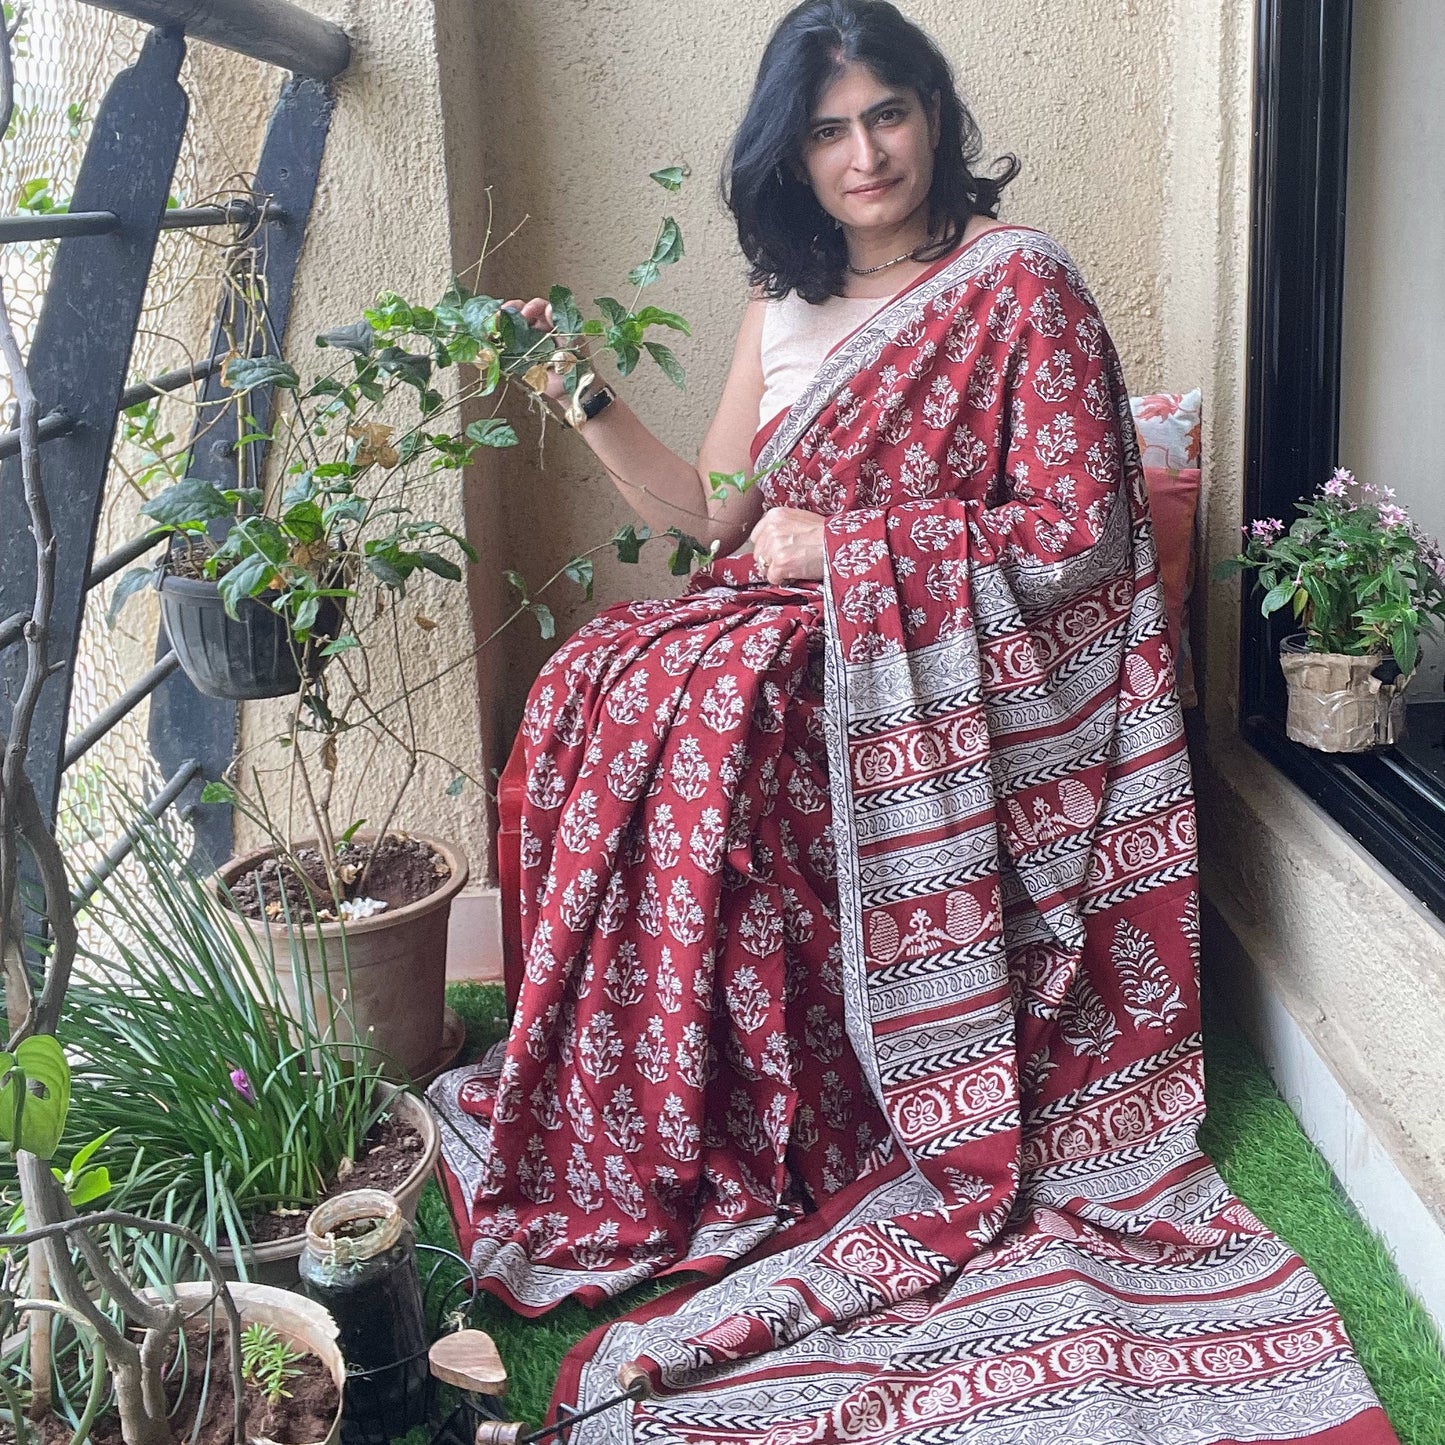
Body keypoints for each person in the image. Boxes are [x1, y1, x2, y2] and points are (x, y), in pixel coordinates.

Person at [430, 3, 1399, 1440]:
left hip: (932, 669)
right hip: (797, 628)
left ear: (935, 115)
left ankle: (804, 1113)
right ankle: (671, 1114)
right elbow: (709, 517)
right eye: (826, 127)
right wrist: (572, 387)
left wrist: (853, 554)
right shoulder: (781, 300)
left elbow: (1076, 535)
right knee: (601, 681)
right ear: (789, 153)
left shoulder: (1019, 286)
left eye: (886, 111)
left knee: (715, 716)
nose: (862, 148)